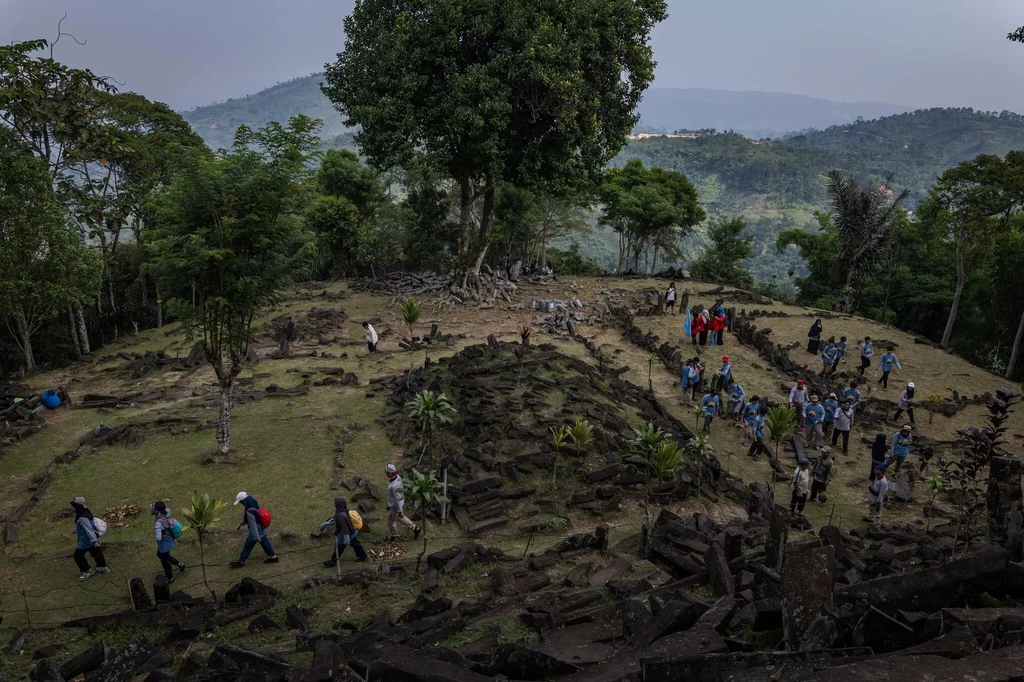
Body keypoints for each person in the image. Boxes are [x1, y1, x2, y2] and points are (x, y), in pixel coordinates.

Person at [230, 492, 278, 568]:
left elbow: (253, 526)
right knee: (265, 542)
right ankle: (273, 557)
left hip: (256, 531)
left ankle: (241, 561)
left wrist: (256, 537)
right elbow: (254, 517)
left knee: (248, 545)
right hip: (262, 527)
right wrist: (242, 523)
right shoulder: (254, 502)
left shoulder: (249, 511)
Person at [71, 497, 109, 581]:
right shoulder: (85, 512)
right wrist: (75, 530)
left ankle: (87, 571)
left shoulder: (81, 517)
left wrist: (94, 541)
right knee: (95, 552)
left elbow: (88, 528)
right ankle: (102, 566)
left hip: (86, 540)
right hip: (91, 538)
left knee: (78, 556)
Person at [322, 497, 367, 566]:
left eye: (335, 503)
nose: (334, 505)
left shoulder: (341, 515)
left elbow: (344, 528)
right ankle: (363, 556)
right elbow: (335, 518)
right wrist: (327, 523)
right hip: (352, 532)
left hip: (346, 534)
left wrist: (346, 539)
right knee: (355, 544)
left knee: (340, 547)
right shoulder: (344, 511)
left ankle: (333, 562)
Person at [151, 501, 186, 583]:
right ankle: (179, 564)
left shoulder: (159, 522)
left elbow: (158, 537)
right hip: (169, 541)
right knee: (163, 555)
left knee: (164, 561)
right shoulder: (166, 514)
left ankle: (170, 577)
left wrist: (159, 535)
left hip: (164, 544)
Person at [386, 464, 421, 540]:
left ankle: (394, 536)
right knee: (400, 517)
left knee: (391, 521)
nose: (385, 474)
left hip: (395, 505)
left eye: (386, 472)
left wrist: (400, 511)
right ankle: (415, 528)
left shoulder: (394, 486)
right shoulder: (398, 477)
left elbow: (397, 499)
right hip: (399, 502)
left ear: (389, 473)